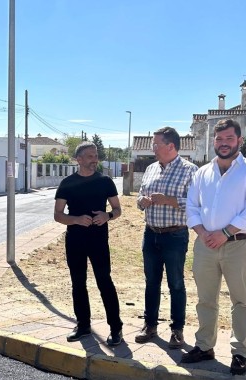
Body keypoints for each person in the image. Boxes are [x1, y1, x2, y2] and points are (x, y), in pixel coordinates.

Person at [182, 118, 246, 375]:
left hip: (237, 246)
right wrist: (203, 232)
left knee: (241, 301)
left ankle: (239, 352)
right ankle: (205, 346)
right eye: (219, 139)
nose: (224, 143)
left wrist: (225, 233)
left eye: (229, 138)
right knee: (205, 300)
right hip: (205, 245)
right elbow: (192, 206)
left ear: (239, 141)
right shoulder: (202, 172)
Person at [54, 142, 124, 346]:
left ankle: (115, 328)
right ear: (79, 159)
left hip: (98, 241)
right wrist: (75, 219)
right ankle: (83, 325)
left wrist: (107, 215)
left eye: (96, 156)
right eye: (91, 156)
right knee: (78, 283)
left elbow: (118, 210)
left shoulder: (105, 182)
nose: (95, 160)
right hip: (75, 241)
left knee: (104, 282)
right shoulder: (67, 183)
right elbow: (58, 215)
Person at [135, 127, 198, 349]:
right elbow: (139, 197)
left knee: (176, 283)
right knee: (151, 283)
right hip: (150, 233)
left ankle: (177, 330)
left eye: (155, 144)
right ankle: (150, 325)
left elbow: (194, 204)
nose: (152, 148)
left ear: (170, 146)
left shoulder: (190, 170)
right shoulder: (151, 169)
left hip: (175, 234)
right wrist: (142, 201)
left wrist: (168, 200)